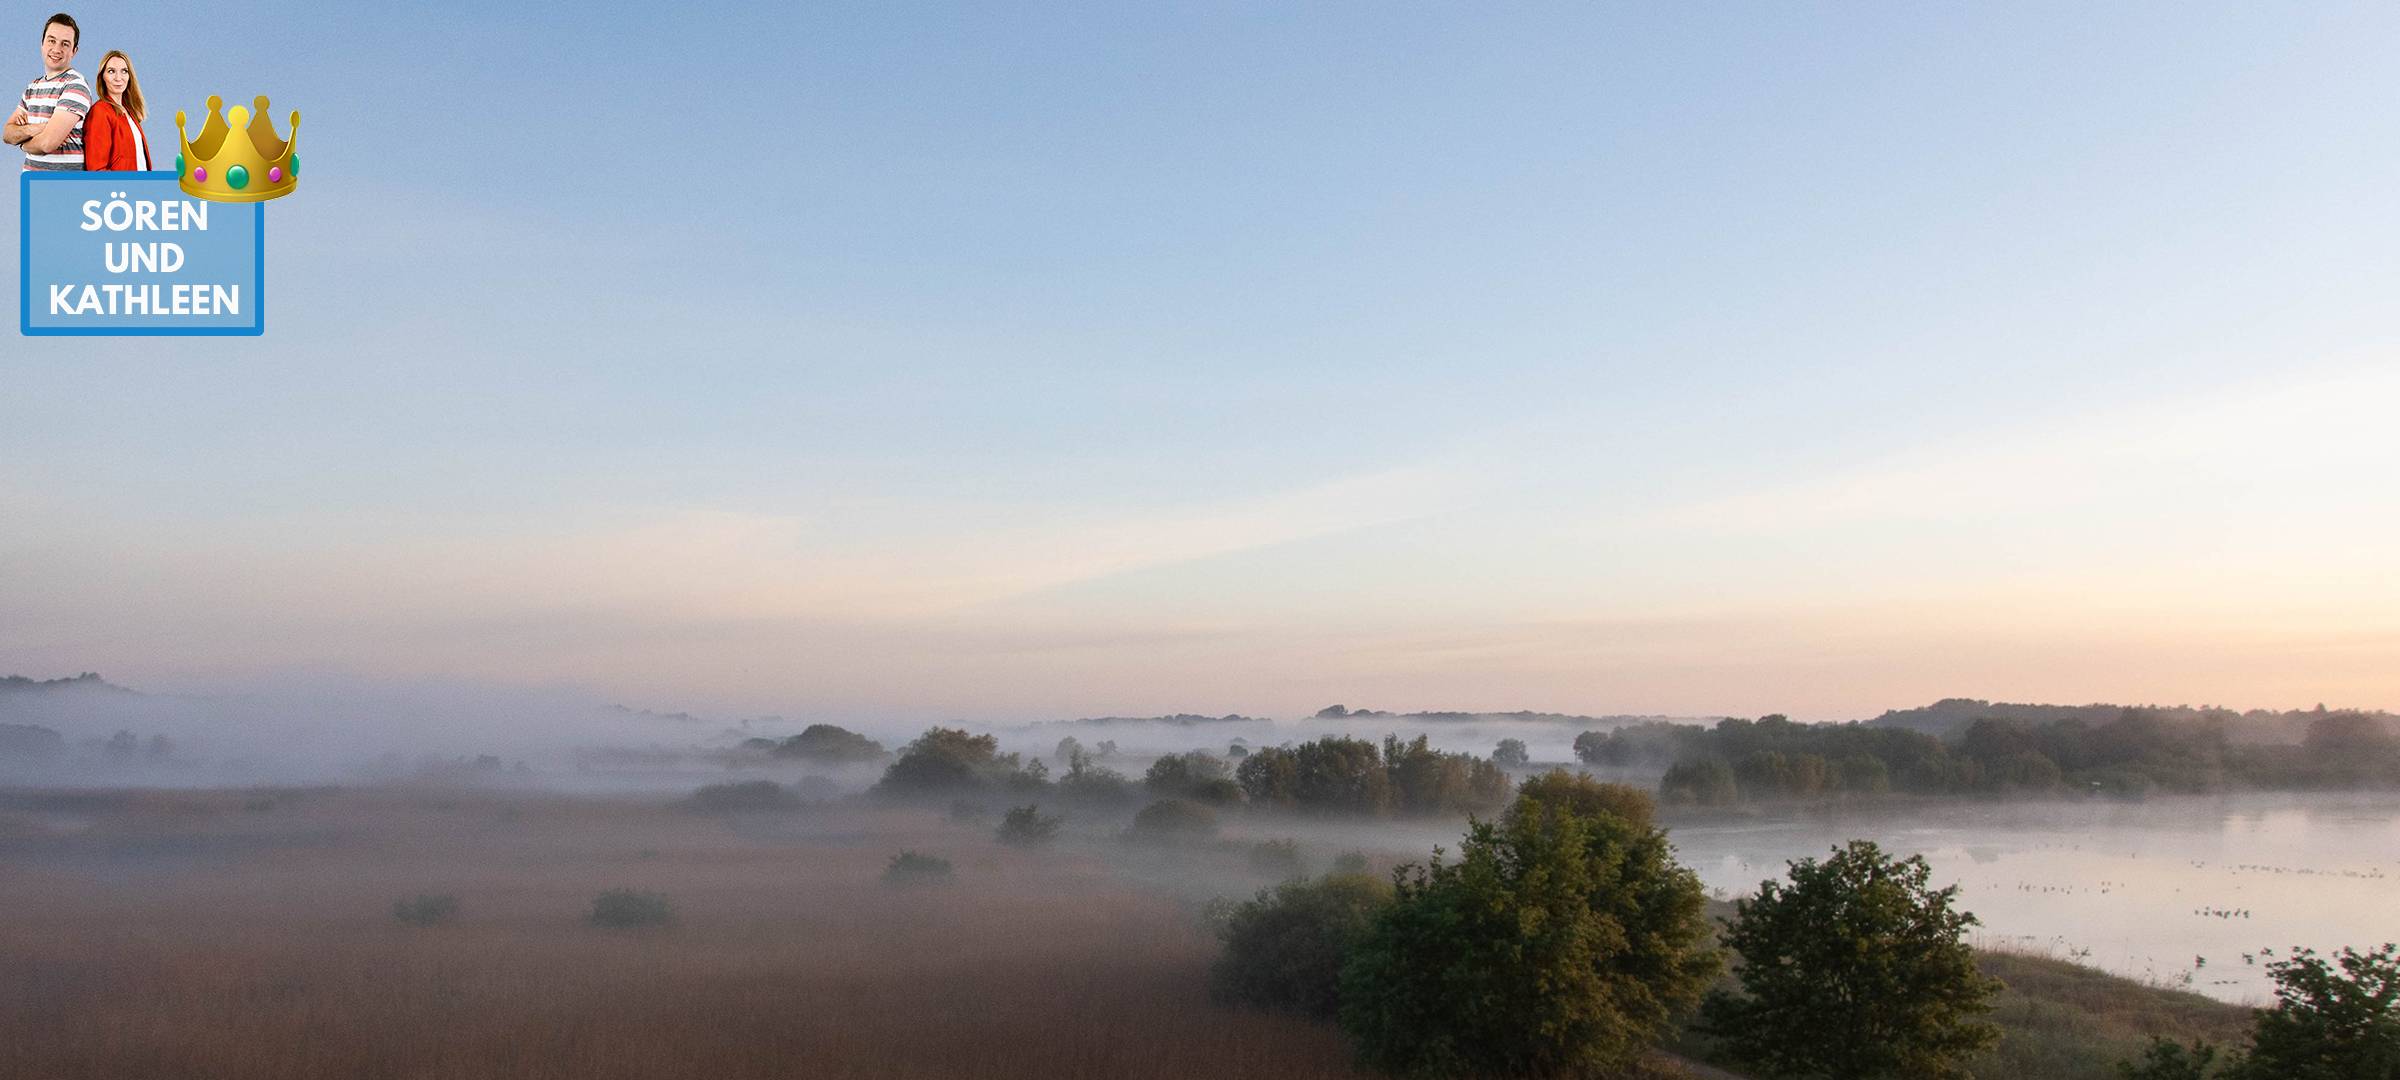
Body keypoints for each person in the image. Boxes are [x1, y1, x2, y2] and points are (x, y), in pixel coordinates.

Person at [3, 13, 90, 170]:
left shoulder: (76, 85)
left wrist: (22, 143)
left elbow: (47, 143)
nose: (56, 49)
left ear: (74, 51)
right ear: (42, 44)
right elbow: (7, 134)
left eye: (65, 44)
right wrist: (36, 128)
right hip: (32, 187)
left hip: (64, 189)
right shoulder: (32, 88)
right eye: (52, 40)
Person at [82, 48, 147, 170]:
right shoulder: (100, 112)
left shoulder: (129, 113)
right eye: (111, 71)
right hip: (120, 188)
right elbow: (97, 169)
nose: (118, 78)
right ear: (102, 77)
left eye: (124, 71)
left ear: (129, 76)